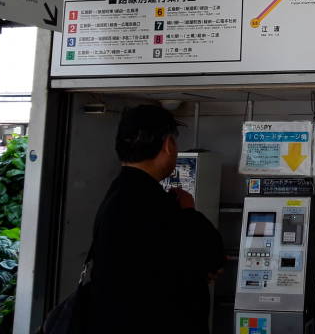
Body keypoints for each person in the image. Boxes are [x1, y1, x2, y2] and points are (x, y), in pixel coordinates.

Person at [84, 105, 224, 334]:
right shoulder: (157, 202)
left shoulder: (115, 194)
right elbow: (212, 256)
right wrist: (188, 210)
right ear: (168, 145)